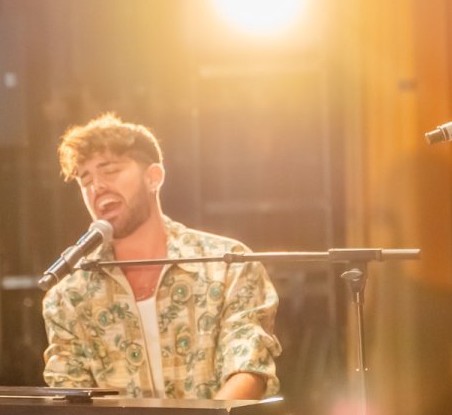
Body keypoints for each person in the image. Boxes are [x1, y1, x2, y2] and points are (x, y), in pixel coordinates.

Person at [41, 112, 281, 400]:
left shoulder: (228, 264)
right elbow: (69, 400)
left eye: (110, 171)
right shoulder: (68, 296)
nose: (97, 187)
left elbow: (249, 367)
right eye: (85, 179)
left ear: (153, 177)